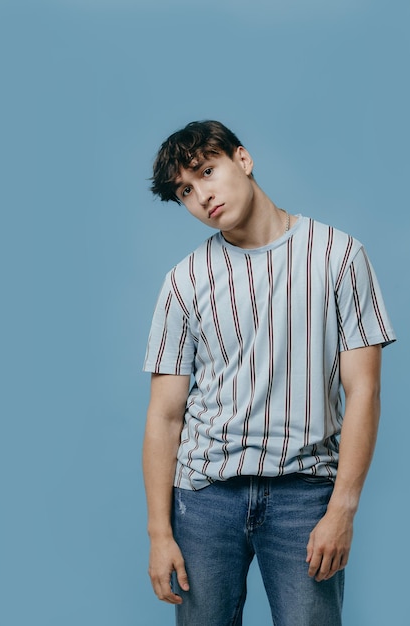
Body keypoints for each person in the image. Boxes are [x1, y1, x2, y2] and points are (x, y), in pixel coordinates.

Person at [142, 120, 396, 626]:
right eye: (186, 191)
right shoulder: (184, 281)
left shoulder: (339, 256)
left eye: (207, 172)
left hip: (304, 495)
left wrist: (342, 510)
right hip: (205, 498)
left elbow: (363, 390)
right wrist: (159, 534)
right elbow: (165, 415)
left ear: (244, 159)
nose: (202, 196)